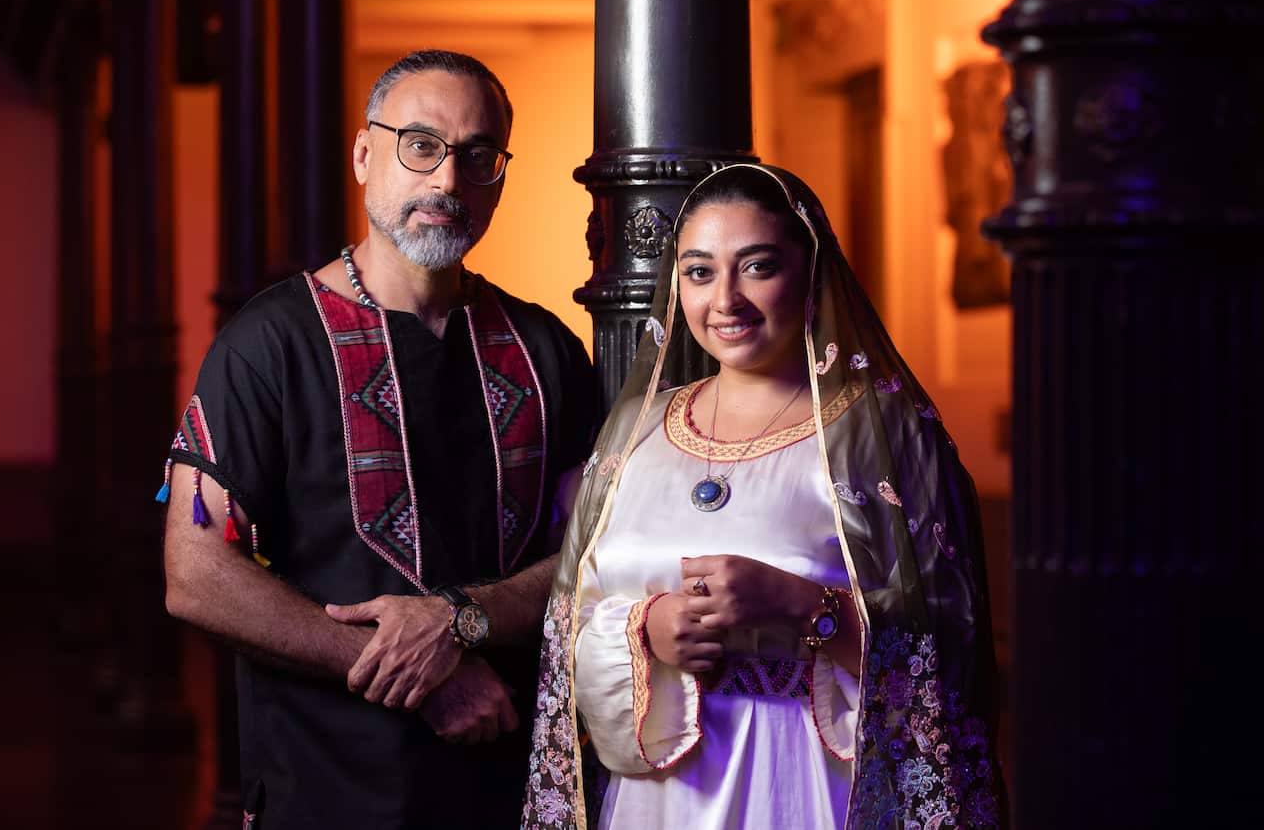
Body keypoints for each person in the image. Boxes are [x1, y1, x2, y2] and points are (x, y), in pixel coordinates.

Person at [160, 49, 598, 829]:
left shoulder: (547, 349)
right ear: (366, 155)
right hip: (323, 785)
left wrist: (460, 618)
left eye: (476, 156)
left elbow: (600, 555)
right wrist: (428, 674)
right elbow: (195, 571)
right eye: (420, 144)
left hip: (513, 789)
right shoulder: (269, 344)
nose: (446, 181)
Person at [522, 164, 1006, 829]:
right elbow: (571, 624)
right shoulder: (638, 433)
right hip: (663, 794)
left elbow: (953, 646)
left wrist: (808, 608)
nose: (726, 299)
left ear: (811, 274)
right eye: (698, 271)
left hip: (809, 783)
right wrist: (646, 629)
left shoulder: (878, 433)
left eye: (756, 266)